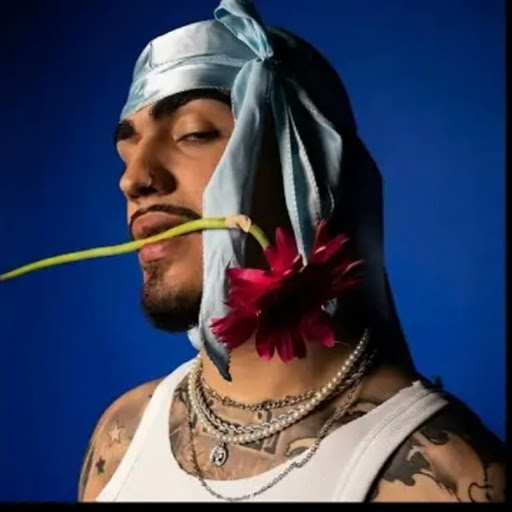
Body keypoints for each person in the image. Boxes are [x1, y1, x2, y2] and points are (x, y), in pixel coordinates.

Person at [77, 0, 505, 502]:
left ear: (306, 170)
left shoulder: (443, 477)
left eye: (194, 133)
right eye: (125, 153)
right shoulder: (122, 437)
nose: (133, 179)